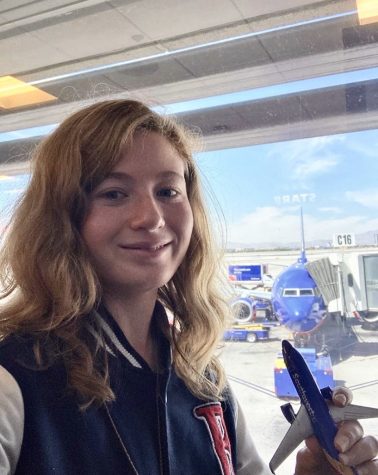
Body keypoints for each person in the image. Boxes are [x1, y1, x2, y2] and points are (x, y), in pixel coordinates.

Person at [0, 99, 376, 475]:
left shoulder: (203, 378)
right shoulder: (13, 379)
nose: (151, 217)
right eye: (114, 193)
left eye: (167, 191)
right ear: (62, 216)